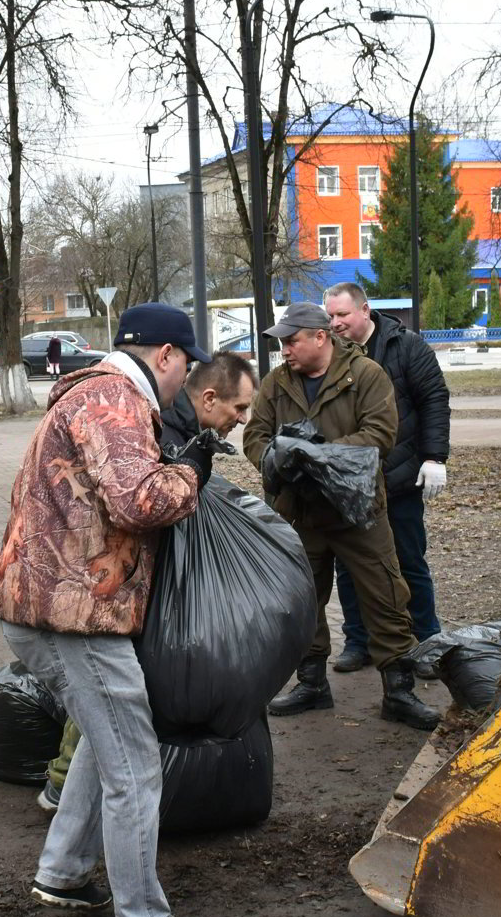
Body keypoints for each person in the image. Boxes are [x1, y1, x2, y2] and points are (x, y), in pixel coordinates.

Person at [0, 302, 229, 917]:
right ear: (166, 355)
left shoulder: (88, 393)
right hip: (78, 618)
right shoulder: (116, 398)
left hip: (46, 608)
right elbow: (139, 501)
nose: (184, 381)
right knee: (136, 772)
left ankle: (64, 872)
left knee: (106, 743)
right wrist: (191, 473)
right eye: (186, 366)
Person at [38, 350, 259, 813]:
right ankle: (66, 785)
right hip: (113, 588)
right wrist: (191, 472)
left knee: (109, 700)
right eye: (238, 408)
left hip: (125, 585)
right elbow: (144, 505)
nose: (242, 419)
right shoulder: (159, 427)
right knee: (108, 700)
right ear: (210, 398)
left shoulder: (177, 426)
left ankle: (73, 796)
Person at [242, 302, 439, 731]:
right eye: (281, 343)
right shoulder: (277, 383)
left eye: (291, 341)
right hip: (299, 513)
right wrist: (277, 459)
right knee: (302, 602)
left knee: (386, 597)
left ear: (320, 337)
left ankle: (399, 691)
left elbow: (380, 435)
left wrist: (314, 456)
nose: (284, 350)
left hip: (357, 511)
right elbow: (255, 436)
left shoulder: (365, 375)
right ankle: (312, 683)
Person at [321, 283, 451, 672]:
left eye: (342, 314)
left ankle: (425, 640)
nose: (335, 323)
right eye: (330, 316)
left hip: (399, 477)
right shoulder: (330, 353)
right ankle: (358, 641)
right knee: (349, 564)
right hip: (350, 483)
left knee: (408, 560)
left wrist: (434, 457)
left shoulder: (406, 346)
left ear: (365, 310)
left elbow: (434, 399)